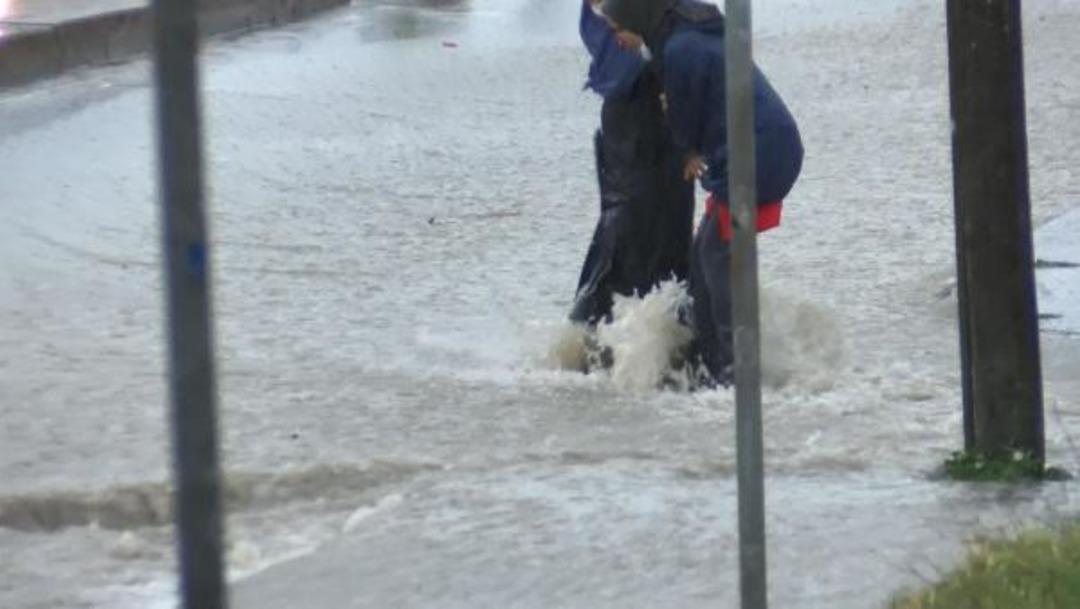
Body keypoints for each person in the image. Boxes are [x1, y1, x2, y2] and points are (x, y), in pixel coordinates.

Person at [600, 0, 804, 386]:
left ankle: (737, 372)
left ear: (637, 17)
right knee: (703, 257)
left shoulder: (681, 49)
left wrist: (689, 150)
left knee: (716, 257)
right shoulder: (686, 37)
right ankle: (709, 366)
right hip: (758, 149)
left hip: (757, 155)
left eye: (616, 28)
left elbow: (684, 113)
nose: (616, 38)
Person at [569, 0, 696, 330]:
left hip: (658, 103)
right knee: (631, 226)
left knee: (663, 226)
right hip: (635, 110)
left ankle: (659, 337)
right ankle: (601, 334)